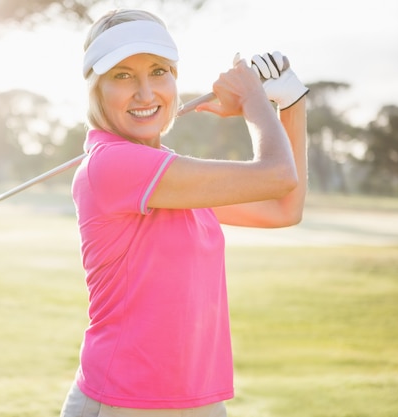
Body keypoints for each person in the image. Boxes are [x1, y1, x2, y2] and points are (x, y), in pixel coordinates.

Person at [61, 8, 308, 417]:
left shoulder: (171, 175)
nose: (145, 93)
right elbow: (278, 175)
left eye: (158, 71)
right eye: (123, 75)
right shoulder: (112, 165)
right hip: (122, 401)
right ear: (96, 90)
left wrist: (291, 105)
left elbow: (283, 206)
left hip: (199, 400)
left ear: (175, 79)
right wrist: (252, 100)